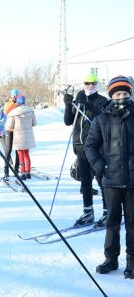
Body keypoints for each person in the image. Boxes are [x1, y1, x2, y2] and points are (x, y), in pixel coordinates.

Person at [85, 75, 134, 279]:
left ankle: (131, 260)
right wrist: (100, 167)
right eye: (117, 94)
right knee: (112, 222)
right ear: (111, 95)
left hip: (132, 181)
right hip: (111, 180)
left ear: (129, 94)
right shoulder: (102, 119)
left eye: (124, 93)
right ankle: (111, 259)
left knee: (132, 223)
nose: (121, 97)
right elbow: (90, 146)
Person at [63, 73, 109, 227]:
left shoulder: (102, 101)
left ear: (97, 84)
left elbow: (104, 118)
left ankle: (107, 211)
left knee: (101, 179)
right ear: (83, 83)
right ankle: (88, 211)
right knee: (85, 180)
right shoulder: (78, 100)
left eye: (93, 83)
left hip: (96, 147)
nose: (90, 86)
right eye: (87, 83)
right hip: (79, 146)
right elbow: (68, 121)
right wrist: (68, 105)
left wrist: (89, 106)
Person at [5, 95, 36, 180]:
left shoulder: (14, 113)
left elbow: (10, 126)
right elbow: (34, 123)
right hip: (28, 136)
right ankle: (28, 172)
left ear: (17, 103)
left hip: (18, 137)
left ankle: (22, 173)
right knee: (26, 154)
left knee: (20, 154)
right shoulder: (30, 111)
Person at [3, 88, 20, 180]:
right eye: (14, 95)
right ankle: (6, 171)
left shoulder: (20, 103)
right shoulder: (8, 103)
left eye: (17, 95)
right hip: (9, 129)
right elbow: (6, 111)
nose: (15, 97)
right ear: (11, 95)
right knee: (8, 149)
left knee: (17, 149)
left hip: (18, 129)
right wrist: (13, 102)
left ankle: (16, 169)